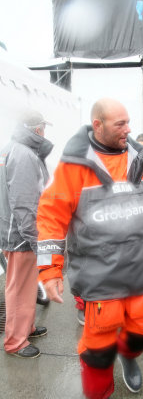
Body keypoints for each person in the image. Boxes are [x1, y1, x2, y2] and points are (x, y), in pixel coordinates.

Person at [36, 98, 143, 399]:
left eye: (128, 121)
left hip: (139, 272)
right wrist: (50, 270)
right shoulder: (73, 167)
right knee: (98, 353)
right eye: (120, 124)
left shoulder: (142, 158)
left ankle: (127, 354)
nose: (129, 129)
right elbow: (51, 216)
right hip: (99, 280)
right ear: (97, 125)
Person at [0, 109, 52, 358]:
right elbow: (24, 203)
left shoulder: (11, 148)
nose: (45, 132)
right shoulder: (24, 154)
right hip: (21, 234)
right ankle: (15, 341)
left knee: (26, 286)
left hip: (13, 229)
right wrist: (36, 238)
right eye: (44, 127)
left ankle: (26, 327)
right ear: (37, 129)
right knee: (19, 289)